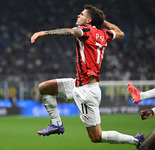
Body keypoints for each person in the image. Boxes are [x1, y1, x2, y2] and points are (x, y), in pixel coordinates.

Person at [30, 4, 144, 147]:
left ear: (89, 20)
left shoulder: (85, 31)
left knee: (96, 137)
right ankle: (57, 124)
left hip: (87, 92)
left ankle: (136, 140)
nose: (79, 15)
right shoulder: (104, 33)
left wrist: (45, 33)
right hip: (78, 83)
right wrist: (103, 22)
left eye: (82, 14)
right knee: (44, 87)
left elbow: (70, 32)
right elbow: (120, 33)